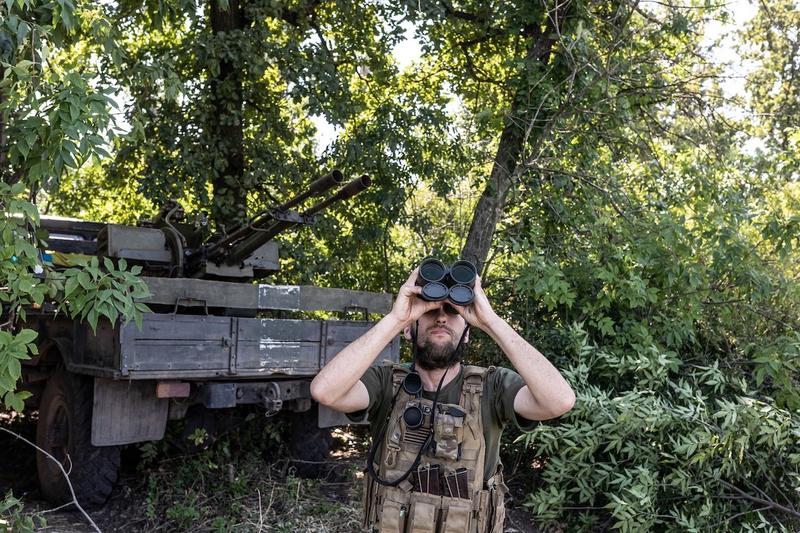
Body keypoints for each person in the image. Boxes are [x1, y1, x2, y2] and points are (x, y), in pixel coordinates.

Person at [311, 267, 575, 532]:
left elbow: (559, 401)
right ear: (409, 330)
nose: (440, 318)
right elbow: (325, 391)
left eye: (452, 312)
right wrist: (396, 318)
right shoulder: (386, 383)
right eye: (428, 311)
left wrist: (490, 321)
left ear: (468, 333)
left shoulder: (492, 388)